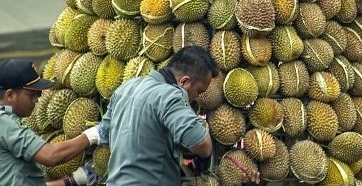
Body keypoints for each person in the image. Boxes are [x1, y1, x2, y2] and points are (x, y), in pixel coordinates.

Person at [97, 46, 259, 186]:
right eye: (198, 91)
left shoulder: (126, 88)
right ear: (184, 82)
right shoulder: (170, 95)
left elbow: (102, 134)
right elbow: (202, 145)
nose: (196, 98)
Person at [0, 59, 101, 186]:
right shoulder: (0, 122)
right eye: (31, 94)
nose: (36, 100)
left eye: (38, 93)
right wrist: (92, 135)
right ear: (10, 95)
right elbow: (50, 156)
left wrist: (73, 180)